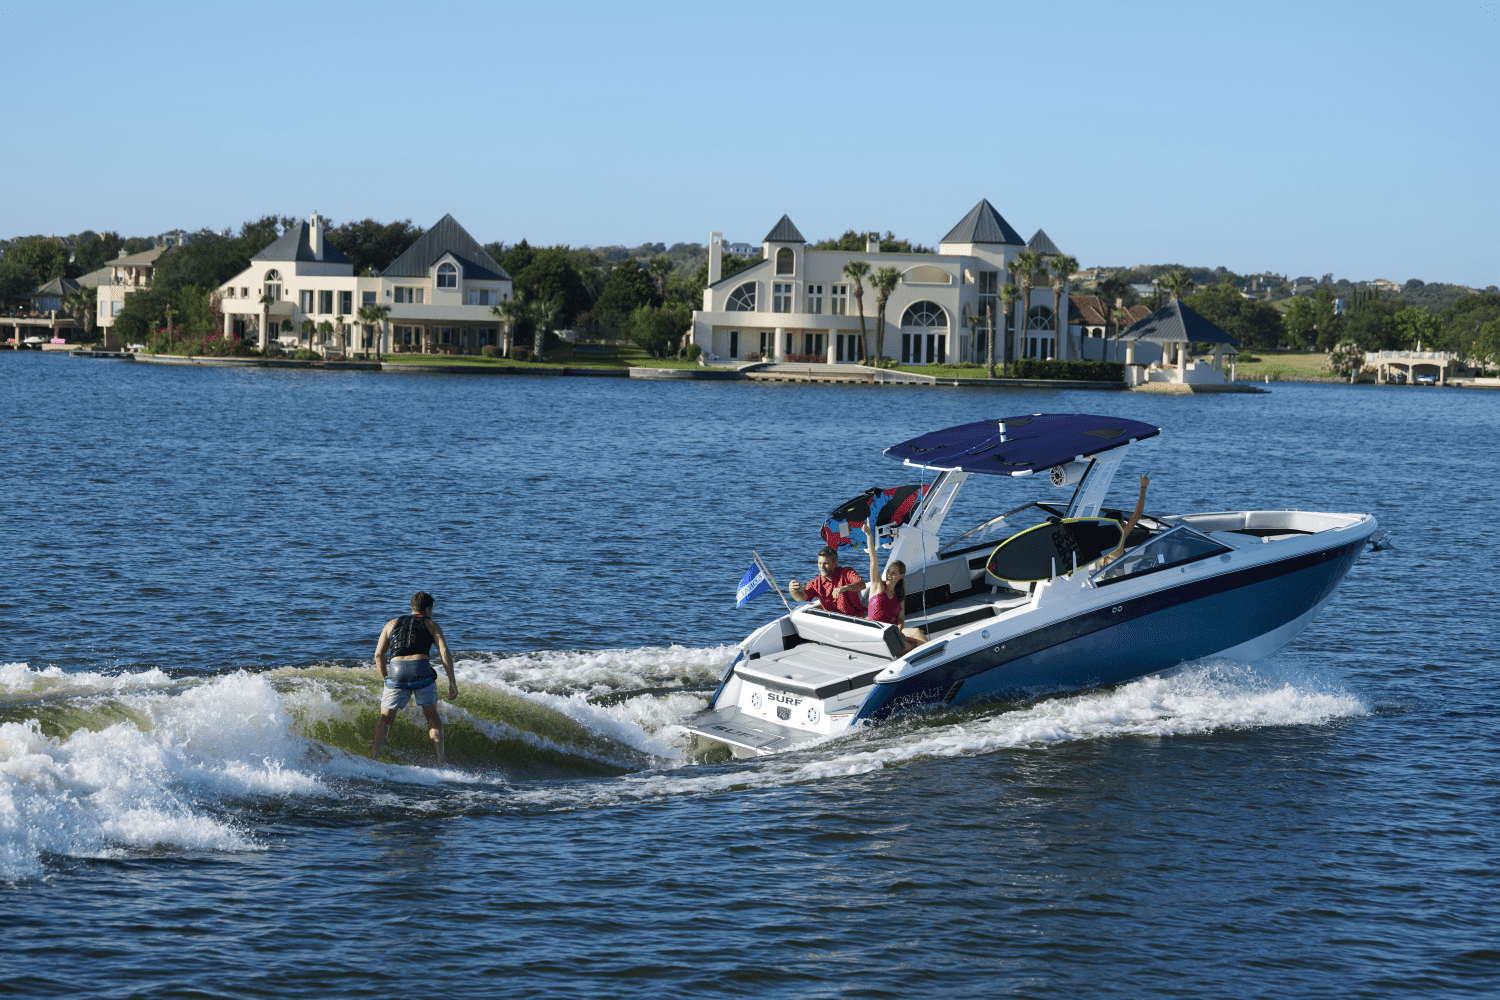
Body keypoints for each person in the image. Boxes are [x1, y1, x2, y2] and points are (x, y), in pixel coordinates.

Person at [370, 591, 458, 764]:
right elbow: (444, 652)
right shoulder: (431, 624)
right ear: (427, 609)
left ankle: (372, 760)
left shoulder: (391, 624)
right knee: (432, 718)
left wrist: (386, 679)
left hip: (396, 672)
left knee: (385, 720)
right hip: (421, 670)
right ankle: (440, 763)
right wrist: (452, 682)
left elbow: (378, 655)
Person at [862, 522, 927, 653]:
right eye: (888, 572)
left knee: (918, 633)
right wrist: (869, 535)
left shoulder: (900, 594)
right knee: (907, 646)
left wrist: (898, 628)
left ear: (900, 575)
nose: (889, 575)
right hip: (877, 631)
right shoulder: (878, 586)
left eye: (893, 573)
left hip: (893, 632)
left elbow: (901, 618)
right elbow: (873, 561)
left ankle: (931, 657)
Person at [788, 545, 866, 617]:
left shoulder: (846, 572)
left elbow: (862, 585)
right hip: (832, 622)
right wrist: (793, 591)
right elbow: (801, 598)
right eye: (820, 563)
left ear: (835, 563)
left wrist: (844, 588)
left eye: (825, 563)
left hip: (856, 618)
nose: (822, 567)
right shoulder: (815, 583)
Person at [1098, 473, 1151, 569]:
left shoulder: (1098, 538)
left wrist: (1143, 557)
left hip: (1100, 576)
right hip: (1116, 578)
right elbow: (1138, 513)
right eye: (1123, 522)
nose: (1125, 523)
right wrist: (1143, 488)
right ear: (1118, 525)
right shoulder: (1120, 536)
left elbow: (1122, 559)